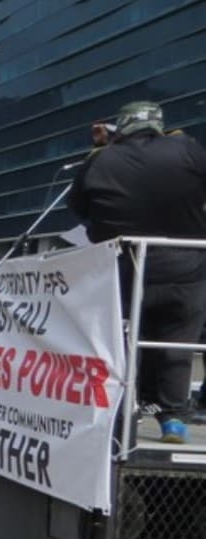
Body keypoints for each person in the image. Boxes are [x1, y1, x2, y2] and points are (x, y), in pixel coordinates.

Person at [68, 101, 206, 443]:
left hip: (126, 269)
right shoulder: (187, 149)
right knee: (178, 344)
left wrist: (102, 149)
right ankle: (173, 419)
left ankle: (121, 419)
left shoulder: (100, 160)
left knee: (123, 344)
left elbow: (79, 207)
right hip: (185, 267)